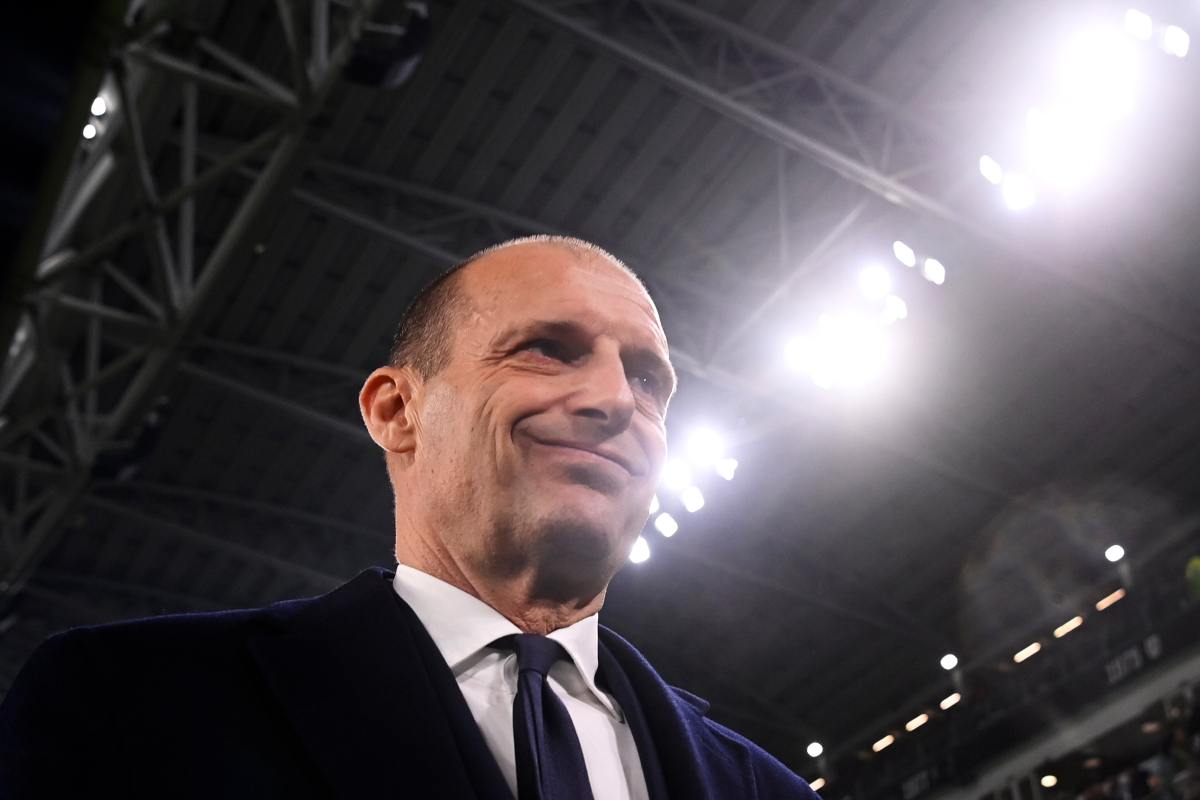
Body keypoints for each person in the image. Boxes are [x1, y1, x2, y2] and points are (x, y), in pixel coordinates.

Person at [0, 235, 818, 798]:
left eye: (647, 379)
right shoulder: (129, 702)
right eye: (548, 349)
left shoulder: (769, 790)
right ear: (397, 411)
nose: (614, 399)